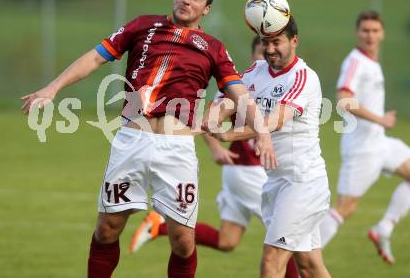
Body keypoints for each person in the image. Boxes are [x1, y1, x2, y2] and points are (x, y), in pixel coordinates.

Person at [21, 0, 276, 278]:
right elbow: (95, 57)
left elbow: (237, 92)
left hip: (176, 150)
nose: (187, 0)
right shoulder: (143, 26)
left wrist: (261, 131)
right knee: (107, 229)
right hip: (132, 141)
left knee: (183, 241)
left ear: (206, 9)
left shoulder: (213, 47)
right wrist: (52, 88)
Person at [128, 36, 299, 278]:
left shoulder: (278, 84)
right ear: (253, 57)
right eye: (262, 52)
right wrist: (216, 147)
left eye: (272, 51)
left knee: (227, 240)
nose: (268, 56)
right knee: (282, 235)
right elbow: (208, 118)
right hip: (248, 171)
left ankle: (161, 227)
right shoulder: (242, 85)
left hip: (244, 172)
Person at [209, 17, 331, 278]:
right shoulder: (255, 71)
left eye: (277, 41)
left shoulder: (304, 78)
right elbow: (225, 101)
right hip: (275, 182)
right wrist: (214, 119)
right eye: (266, 42)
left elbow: (273, 121)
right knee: (310, 267)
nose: (270, 48)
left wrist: (229, 134)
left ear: (294, 41)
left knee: (271, 262)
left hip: (303, 183)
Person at [319, 10, 410, 264]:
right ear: (357, 33)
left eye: (375, 30)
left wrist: (380, 125)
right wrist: (380, 119)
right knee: (344, 209)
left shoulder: (372, 62)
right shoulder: (355, 62)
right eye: (365, 31)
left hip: (379, 143)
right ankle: (303, 258)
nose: (370, 35)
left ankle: (384, 228)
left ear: (382, 33)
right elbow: (343, 100)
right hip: (361, 150)